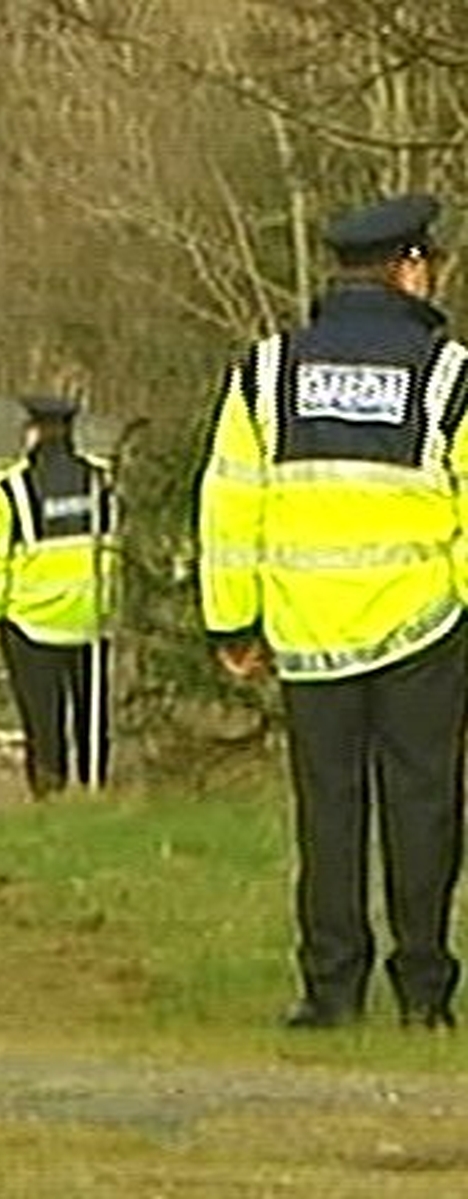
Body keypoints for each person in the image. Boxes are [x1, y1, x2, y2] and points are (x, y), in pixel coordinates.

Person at [197, 192, 468, 1031]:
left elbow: (231, 505)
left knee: (329, 809)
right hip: (423, 628)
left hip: (309, 632)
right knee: (424, 808)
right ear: (411, 267)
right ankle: (424, 992)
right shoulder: (448, 375)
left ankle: (329, 990)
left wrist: (232, 622)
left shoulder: (267, 373)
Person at [0, 395, 117, 797]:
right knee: (94, 717)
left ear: (31, 432)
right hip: (95, 618)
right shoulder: (102, 479)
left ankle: (50, 794)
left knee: (43, 720)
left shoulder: (10, 488)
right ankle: (95, 787)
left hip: (32, 622)